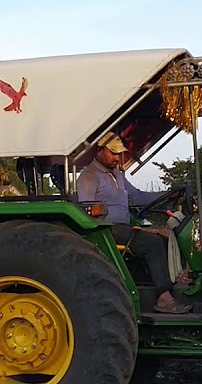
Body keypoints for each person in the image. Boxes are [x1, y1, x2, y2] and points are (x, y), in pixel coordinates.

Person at [76, 133, 191, 314]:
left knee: (165, 240)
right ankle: (163, 298)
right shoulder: (89, 177)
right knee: (151, 243)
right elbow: (85, 210)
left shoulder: (117, 175)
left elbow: (137, 196)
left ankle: (170, 287)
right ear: (99, 150)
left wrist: (167, 195)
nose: (117, 158)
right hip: (105, 230)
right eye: (113, 153)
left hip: (124, 227)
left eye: (118, 154)